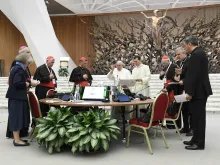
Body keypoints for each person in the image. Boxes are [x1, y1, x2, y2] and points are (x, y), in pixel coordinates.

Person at [182, 36, 212, 150]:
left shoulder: (196, 55)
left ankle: (199, 143)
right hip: (199, 91)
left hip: (198, 92)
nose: (185, 48)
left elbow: (195, 76)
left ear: (189, 44)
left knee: (199, 119)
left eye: (185, 45)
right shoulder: (198, 53)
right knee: (195, 117)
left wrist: (190, 92)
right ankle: (195, 139)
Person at [6, 46, 38, 139]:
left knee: (19, 117)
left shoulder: (19, 67)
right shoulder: (18, 68)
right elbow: (17, 82)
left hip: (19, 95)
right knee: (17, 117)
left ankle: (18, 138)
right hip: (17, 96)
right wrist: (28, 84)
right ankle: (16, 139)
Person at [175, 47, 192, 136]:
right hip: (181, 89)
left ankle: (192, 129)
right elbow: (182, 74)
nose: (177, 56)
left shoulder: (189, 61)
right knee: (183, 109)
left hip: (188, 89)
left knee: (190, 110)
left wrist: (183, 81)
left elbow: (191, 75)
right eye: (176, 54)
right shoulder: (179, 62)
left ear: (184, 53)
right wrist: (178, 77)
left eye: (179, 54)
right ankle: (185, 127)